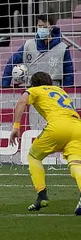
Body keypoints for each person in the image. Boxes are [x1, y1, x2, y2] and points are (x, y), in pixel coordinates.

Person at [9, 71, 81, 215]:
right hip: (77, 126)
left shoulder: (34, 90)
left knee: (34, 157)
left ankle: (42, 195)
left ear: (33, 83)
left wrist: (16, 127)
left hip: (58, 126)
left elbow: (22, 102)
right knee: (76, 163)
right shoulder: (60, 90)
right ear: (50, 82)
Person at [2, 15, 73, 88]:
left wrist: (67, 92)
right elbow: (11, 62)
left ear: (51, 28)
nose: (41, 29)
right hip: (32, 89)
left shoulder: (62, 48)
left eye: (44, 27)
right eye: (39, 26)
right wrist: (5, 86)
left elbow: (68, 74)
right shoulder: (28, 45)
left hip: (53, 90)